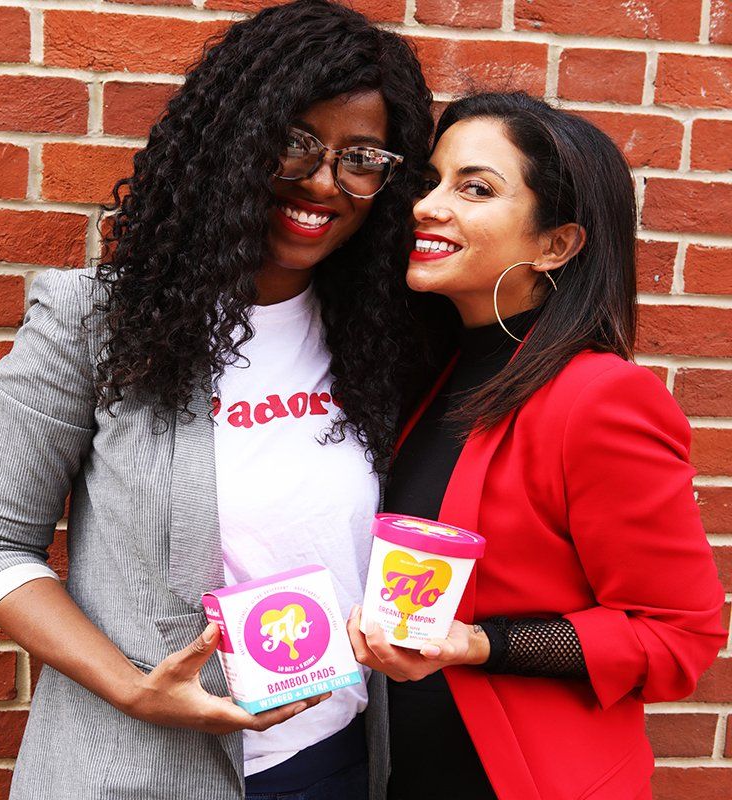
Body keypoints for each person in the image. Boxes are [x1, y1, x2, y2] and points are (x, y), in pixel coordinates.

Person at [0, 2, 433, 798]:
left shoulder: (387, 343)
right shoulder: (99, 321)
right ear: (233, 141)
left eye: (361, 157)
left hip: (332, 764)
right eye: (295, 141)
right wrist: (133, 689)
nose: (322, 181)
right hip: (136, 767)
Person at [347, 92, 726, 800]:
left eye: (476, 188)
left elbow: (677, 636)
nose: (427, 205)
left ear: (556, 244)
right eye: (431, 181)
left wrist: (481, 642)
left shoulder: (599, 399)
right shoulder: (440, 376)